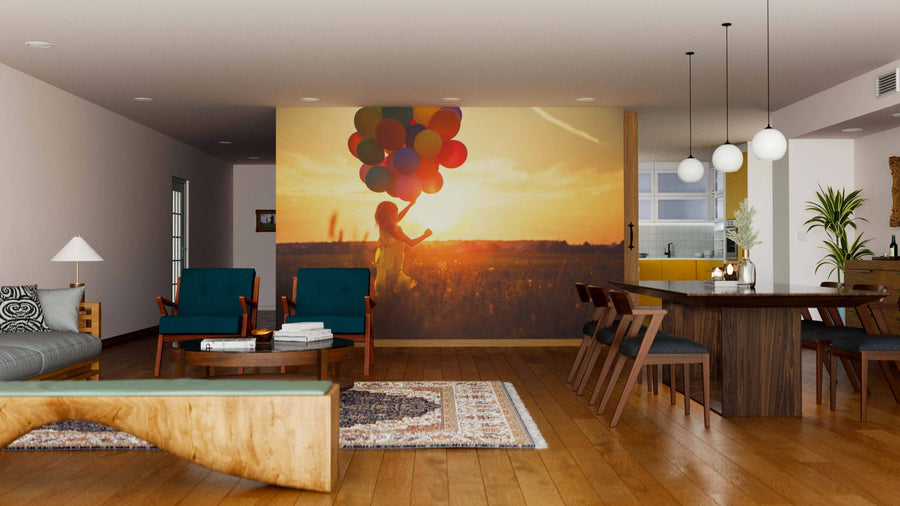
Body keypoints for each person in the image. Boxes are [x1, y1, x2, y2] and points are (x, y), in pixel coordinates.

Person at [374, 200, 432, 299]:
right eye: (395, 212)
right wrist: (425, 236)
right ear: (391, 214)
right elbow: (411, 243)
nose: (397, 214)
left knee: (387, 292)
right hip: (393, 266)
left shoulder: (383, 226)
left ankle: (389, 306)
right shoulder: (394, 229)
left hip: (385, 264)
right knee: (407, 287)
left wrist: (409, 205)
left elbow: (398, 218)